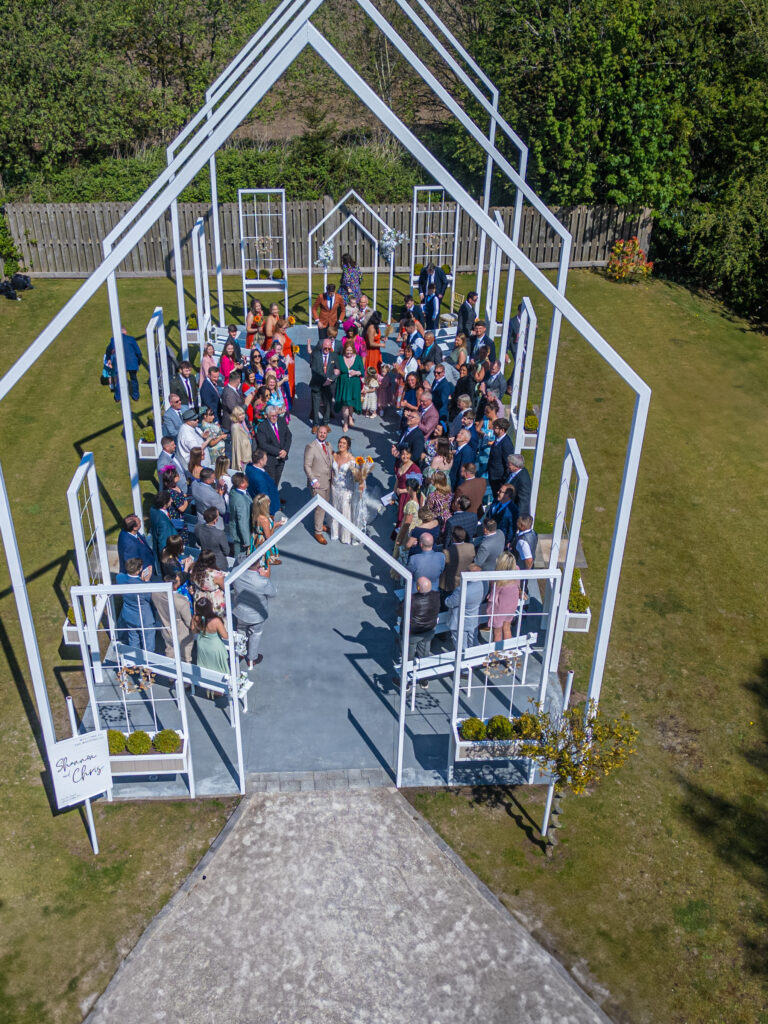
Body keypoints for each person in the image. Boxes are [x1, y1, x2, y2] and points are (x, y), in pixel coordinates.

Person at [230, 558, 276, 669]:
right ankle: (252, 659)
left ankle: (241, 652)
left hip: (240, 612)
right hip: (257, 616)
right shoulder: (262, 581)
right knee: (255, 635)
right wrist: (265, 577)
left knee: (241, 630)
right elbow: (273, 593)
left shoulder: (236, 571)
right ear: (258, 564)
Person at [115, 557, 158, 650]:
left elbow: (122, 576)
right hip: (145, 618)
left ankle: (135, 659)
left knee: (133, 640)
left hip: (129, 616)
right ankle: (147, 659)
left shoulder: (120, 578)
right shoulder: (142, 585)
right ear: (139, 570)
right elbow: (149, 597)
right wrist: (147, 581)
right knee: (148, 645)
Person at [401, 577, 440, 676]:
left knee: (408, 655)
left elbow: (400, 611)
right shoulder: (436, 596)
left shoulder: (412, 599)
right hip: (429, 630)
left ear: (418, 588)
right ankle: (423, 677)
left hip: (413, 632)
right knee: (424, 654)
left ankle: (407, 676)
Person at [154, 569, 194, 662]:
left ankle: (171, 672)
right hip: (182, 633)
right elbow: (188, 622)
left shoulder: (156, 594)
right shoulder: (181, 601)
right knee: (185, 658)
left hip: (166, 629)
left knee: (170, 655)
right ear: (175, 585)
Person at [304, 423, 334, 544]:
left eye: (324, 433)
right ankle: (318, 532)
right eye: (320, 432)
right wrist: (313, 480)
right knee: (319, 508)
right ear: (316, 433)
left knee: (325, 504)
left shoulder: (329, 445)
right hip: (317, 483)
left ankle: (320, 524)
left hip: (328, 481)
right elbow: (307, 466)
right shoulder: (311, 447)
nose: (322, 435)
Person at [445, 563, 484, 651]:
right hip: (474, 619)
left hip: (459, 622)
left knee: (461, 647)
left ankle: (464, 659)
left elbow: (449, 603)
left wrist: (446, 599)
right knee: (473, 642)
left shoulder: (461, 590)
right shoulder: (483, 584)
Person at [487, 551, 521, 642]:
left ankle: (497, 651)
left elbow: (493, 598)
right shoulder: (517, 570)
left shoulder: (498, 579)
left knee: (497, 632)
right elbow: (518, 586)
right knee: (507, 628)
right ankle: (508, 649)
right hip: (512, 605)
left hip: (499, 608)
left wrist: (489, 610)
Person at [191, 597, 230, 674]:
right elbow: (225, 636)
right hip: (214, 647)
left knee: (206, 667)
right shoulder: (216, 621)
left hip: (202, 645)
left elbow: (194, 631)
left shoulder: (195, 618)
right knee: (219, 669)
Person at [329, 435, 356, 543]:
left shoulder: (352, 459)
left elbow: (356, 475)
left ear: (348, 446)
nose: (341, 444)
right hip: (334, 487)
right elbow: (331, 471)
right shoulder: (334, 455)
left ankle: (345, 536)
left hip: (346, 488)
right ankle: (335, 533)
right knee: (335, 508)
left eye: (344, 443)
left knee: (345, 510)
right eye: (340, 442)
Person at [309, 336, 339, 433]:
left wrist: (331, 379)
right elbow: (314, 369)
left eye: (329, 348)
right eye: (325, 348)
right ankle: (315, 424)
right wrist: (325, 380)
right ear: (322, 346)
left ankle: (326, 423)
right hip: (317, 384)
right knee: (316, 405)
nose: (327, 350)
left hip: (329, 385)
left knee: (328, 405)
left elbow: (337, 370)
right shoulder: (315, 355)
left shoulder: (334, 356)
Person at [256, 404, 291, 485]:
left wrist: (285, 450)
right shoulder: (262, 427)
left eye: (276, 415)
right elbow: (263, 444)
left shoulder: (281, 421)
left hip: (282, 458)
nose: (274, 418)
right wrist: (279, 452)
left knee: (277, 480)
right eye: (272, 416)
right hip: (270, 460)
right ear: (267, 416)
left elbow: (288, 436)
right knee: (270, 483)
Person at [105, 327, 143, 402]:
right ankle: (136, 396)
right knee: (134, 379)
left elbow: (108, 350)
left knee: (119, 381)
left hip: (119, 363)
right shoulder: (131, 339)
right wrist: (139, 361)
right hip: (131, 363)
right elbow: (138, 352)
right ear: (125, 332)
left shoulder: (113, 340)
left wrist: (108, 359)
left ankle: (118, 397)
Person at [334, 341, 364, 432]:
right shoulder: (339, 358)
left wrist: (356, 372)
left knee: (351, 404)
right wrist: (335, 372)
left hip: (354, 385)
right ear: (344, 350)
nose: (349, 353)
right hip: (343, 384)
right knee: (344, 405)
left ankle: (350, 416)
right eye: (347, 351)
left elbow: (362, 371)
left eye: (351, 351)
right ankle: (345, 423)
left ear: (353, 350)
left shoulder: (358, 358)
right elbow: (335, 369)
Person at [440, 526, 475, 593]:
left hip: (450, 584)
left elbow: (442, 567)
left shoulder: (447, 552)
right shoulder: (471, 547)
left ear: (453, 538)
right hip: (465, 581)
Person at [190, 550, 226, 614]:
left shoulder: (194, 570)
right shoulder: (217, 575)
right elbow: (225, 588)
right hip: (213, 601)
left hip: (199, 599)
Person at [149, 490, 178, 573]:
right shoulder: (163, 523)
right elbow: (163, 544)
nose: (172, 500)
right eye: (170, 500)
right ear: (165, 504)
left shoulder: (153, 509)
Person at [487, 419, 515, 499]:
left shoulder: (506, 444)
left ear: (502, 430)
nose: (493, 429)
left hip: (499, 479)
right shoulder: (498, 439)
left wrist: (504, 480)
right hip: (493, 475)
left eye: (495, 428)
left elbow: (508, 464)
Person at [245, 449, 280, 514]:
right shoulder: (260, 479)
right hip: (269, 508)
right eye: (265, 458)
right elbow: (264, 498)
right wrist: (270, 512)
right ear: (260, 461)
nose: (267, 459)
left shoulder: (249, 467)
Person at [250, 493, 281, 566]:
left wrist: (278, 523)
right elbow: (268, 537)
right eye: (268, 501)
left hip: (256, 539)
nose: (270, 502)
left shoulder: (257, 514)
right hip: (263, 542)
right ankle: (270, 559)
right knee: (264, 564)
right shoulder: (264, 520)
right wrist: (274, 526)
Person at [394, 449, 422, 525]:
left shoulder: (415, 469)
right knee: (399, 515)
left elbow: (418, 487)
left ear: (411, 455)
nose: (405, 456)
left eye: (407, 454)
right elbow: (397, 480)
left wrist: (403, 490)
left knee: (406, 518)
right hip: (400, 495)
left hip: (408, 496)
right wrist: (394, 494)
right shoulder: (399, 464)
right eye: (403, 454)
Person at [228, 472, 252, 559]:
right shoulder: (241, 501)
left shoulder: (234, 490)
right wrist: (247, 541)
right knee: (240, 557)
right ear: (241, 484)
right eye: (246, 480)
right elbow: (243, 522)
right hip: (240, 534)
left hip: (236, 529)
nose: (248, 481)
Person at [488, 484, 519, 548]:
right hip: (489, 537)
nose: (497, 492)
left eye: (500, 491)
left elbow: (511, 529)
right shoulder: (495, 501)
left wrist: (506, 542)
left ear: (507, 494)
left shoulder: (513, 510)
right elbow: (489, 515)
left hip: (500, 542)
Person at [506, 454, 532, 518]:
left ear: (516, 466)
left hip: (513, 512)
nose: (507, 465)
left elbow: (524, 500)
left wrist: (520, 518)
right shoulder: (513, 472)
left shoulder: (523, 480)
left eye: (509, 465)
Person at [220, 370, 244, 434]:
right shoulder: (229, 393)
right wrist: (246, 404)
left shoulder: (232, 389)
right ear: (238, 380)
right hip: (230, 425)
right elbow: (234, 410)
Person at [229, 406, 252, 472]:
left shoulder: (243, 423)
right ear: (235, 416)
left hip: (247, 452)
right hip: (242, 456)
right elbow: (236, 445)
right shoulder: (235, 427)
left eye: (243, 414)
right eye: (240, 415)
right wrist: (238, 462)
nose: (242, 416)